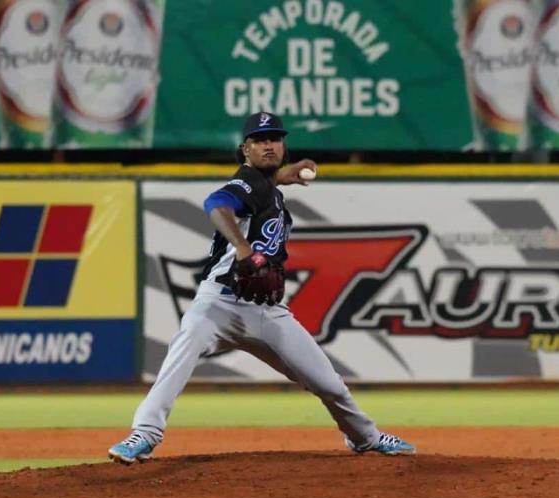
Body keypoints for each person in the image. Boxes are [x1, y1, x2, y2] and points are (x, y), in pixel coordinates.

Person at [108, 112, 415, 464]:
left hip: (266, 312)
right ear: (245, 150)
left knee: (328, 384)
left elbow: (265, 186)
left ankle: (365, 438)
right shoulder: (248, 182)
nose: (269, 145)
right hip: (218, 305)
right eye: (260, 140)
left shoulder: (266, 186)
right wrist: (241, 246)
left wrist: (284, 175)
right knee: (179, 359)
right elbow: (216, 204)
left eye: (275, 139)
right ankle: (143, 434)